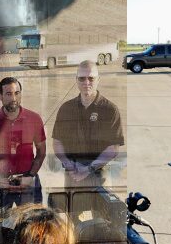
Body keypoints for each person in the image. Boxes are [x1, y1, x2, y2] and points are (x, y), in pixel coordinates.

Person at [52, 60, 124, 223]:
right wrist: (69, 165)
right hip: (73, 173)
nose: (86, 82)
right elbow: (57, 142)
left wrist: (88, 168)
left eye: (91, 78)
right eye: (82, 78)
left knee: (104, 222)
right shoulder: (66, 108)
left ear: (98, 79)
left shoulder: (110, 109)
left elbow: (113, 148)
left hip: (99, 173)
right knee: (75, 220)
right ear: (76, 80)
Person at [0, 77, 46, 211]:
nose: (13, 98)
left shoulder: (34, 118)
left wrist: (30, 175)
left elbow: (41, 152)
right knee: (3, 222)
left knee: (32, 222)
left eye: (17, 93)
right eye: (9, 94)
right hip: (2, 184)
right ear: (0, 96)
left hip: (28, 182)